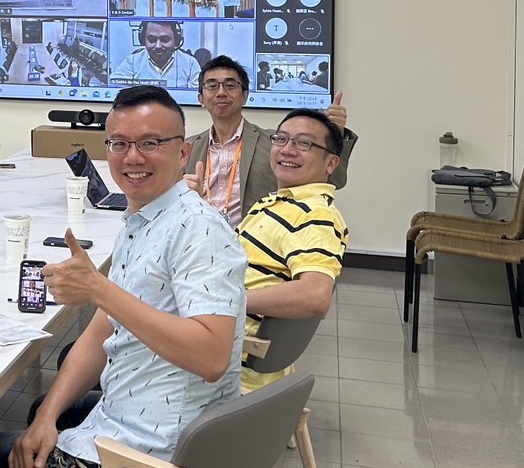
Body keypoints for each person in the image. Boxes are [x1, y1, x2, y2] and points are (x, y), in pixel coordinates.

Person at [0, 85, 246, 468]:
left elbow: (211, 356)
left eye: (150, 143)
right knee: (47, 415)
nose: (132, 156)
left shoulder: (199, 231)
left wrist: (99, 289)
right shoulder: (144, 219)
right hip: (174, 441)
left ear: (183, 152)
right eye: (119, 143)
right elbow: (99, 333)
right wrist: (46, 416)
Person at [237, 108, 349, 391]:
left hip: (227, 368)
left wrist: (226, 299)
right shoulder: (277, 202)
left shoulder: (315, 215)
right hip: (221, 343)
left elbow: (315, 296)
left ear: (331, 163)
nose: (287, 150)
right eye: (281, 139)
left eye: (304, 144)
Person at [183, 55, 357, 226]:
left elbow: (333, 180)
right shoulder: (185, 149)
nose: (221, 93)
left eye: (230, 85)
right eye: (212, 86)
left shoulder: (278, 144)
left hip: (255, 247)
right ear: (201, 99)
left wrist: (336, 134)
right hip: (199, 245)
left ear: (245, 96)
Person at [108, 21, 201, 88]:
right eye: (152, 40)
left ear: (176, 40)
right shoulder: (131, 62)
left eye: (165, 40)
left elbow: (197, 97)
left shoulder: (190, 64)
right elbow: (115, 89)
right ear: (142, 40)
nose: (158, 46)